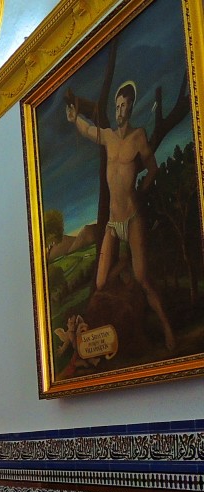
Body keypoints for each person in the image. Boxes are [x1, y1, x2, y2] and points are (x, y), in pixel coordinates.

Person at [66, 80, 176, 350]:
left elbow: (152, 169)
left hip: (132, 218)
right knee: (101, 281)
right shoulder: (108, 137)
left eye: (123, 106)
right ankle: (124, 261)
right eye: (116, 106)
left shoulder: (138, 137)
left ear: (131, 107)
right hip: (113, 224)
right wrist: (74, 118)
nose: (119, 111)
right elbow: (88, 130)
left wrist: (142, 190)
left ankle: (166, 326)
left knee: (142, 278)